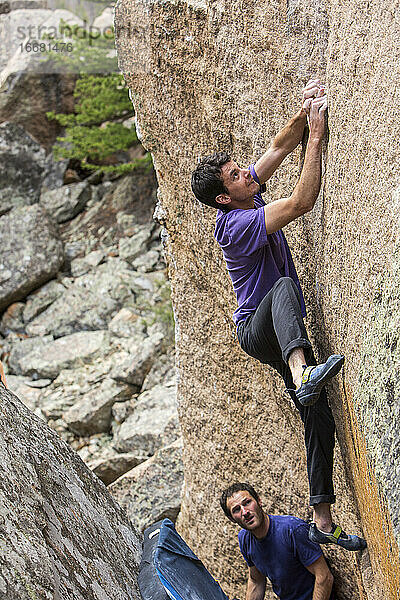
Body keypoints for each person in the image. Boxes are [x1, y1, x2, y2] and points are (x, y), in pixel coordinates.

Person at [191, 80, 366, 550]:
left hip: (273, 324)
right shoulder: (236, 223)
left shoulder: (244, 193)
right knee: (285, 286)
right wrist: (317, 135)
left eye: (239, 170)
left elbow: (275, 147)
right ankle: (301, 368)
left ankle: (323, 519)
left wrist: (304, 110)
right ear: (225, 196)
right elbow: (301, 202)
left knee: (319, 417)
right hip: (256, 328)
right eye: (236, 175)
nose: (246, 174)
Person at [220, 482, 334, 600]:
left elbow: (324, 577)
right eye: (236, 510)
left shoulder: (292, 529)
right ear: (231, 519)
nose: (245, 512)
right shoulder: (245, 539)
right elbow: (256, 580)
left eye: (247, 503)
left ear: (259, 501)